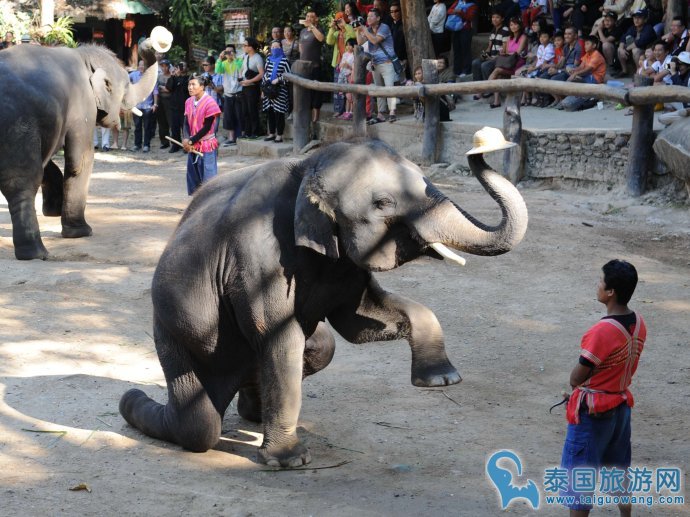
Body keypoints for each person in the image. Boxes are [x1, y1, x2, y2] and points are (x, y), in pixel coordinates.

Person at [559, 259, 646, 517]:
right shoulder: (639, 322)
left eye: (600, 281)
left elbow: (576, 377)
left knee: (580, 482)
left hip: (595, 414)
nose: (597, 285)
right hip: (620, 408)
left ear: (611, 292)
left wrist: (579, 389)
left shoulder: (602, 331)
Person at [356, 8, 399, 123]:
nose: (368, 18)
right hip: (375, 64)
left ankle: (392, 112)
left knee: (390, 89)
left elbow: (375, 40)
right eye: (367, 16)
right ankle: (381, 113)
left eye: (371, 16)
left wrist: (365, 30)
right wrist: (358, 30)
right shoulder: (368, 29)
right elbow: (360, 42)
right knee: (379, 90)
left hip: (387, 63)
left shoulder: (384, 27)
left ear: (378, 18)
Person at [182, 75, 221, 196]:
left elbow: (208, 127)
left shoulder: (210, 102)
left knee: (208, 178)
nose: (190, 87)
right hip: (192, 144)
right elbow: (186, 122)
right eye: (189, 84)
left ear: (202, 87)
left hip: (206, 145)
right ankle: (197, 205)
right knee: (194, 177)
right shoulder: (188, 101)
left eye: (193, 84)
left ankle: (211, 206)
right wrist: (185, 138)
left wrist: (191, 140)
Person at [487, 17, 528, 108]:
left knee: (497, 70)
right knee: (497, 73)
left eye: (515, 24)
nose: (513, 27)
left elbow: (517, 52)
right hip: (508, 62)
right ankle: (496, 101)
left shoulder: (523, 37)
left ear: (520, 26)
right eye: (511, 25)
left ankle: (485, 88)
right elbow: (506, 52)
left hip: (517, 63)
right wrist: (503, 52)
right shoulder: (509, 38)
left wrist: (507, 53)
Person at [299, 11, 325, 133]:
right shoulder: (303, 32)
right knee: (305, 94)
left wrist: (312, 26)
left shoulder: (318, 29)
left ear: (316, 19)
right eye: (307, 16)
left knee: (316, 93)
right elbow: (300, 47)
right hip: (303, 67)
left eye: (311, 17)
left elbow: (321, 38)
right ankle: (306, 120)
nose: (308, 18)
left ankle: (315, 120)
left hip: (315, 66)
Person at [472, 10, 510, 92]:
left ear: (502, 19)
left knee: (485, 65)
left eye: (497, 17)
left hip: (499, 58)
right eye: (493, 17)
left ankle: (489, 90)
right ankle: (478, 88)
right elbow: (489, 47)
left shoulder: (505, 30)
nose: (494, 19)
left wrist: (492, 59)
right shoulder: (493, 30)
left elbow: (504, 50)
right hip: (491, 56)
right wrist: (484, 54)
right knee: (475, 63)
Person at [327, 12, 356, 117]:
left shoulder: (349, 31)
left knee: (348, 87)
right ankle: (339, 109)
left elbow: (353, 36)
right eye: (337, 21)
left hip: (349, 64)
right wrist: (332, 28)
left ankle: (349, 110)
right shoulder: (336, 33)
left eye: (341, 20)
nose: (339, 23)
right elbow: (329, 41)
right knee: (338, 88)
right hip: (338, 63)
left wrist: (345, 24)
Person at [261, 40, 291, 143]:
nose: (274, 49)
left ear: (281, 48)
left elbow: (288, 76)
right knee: (270, 112)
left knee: (279, 113)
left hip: (279, 90)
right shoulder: (268, 59)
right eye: (272, 47)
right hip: (268, 89)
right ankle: (271, 133)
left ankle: (279, 135)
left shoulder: (285, 60)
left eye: (276, 47)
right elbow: (265, 73)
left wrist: (278, 79)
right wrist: (265, 86)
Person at [216, 45, 244, 146]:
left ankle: (241, 136)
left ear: (235, 52)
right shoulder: (223, 64)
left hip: (238, 93)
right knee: (228, 117)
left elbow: (241, 69)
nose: (229, 54)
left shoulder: (239, 61)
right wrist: (220, 58)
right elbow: (217, 71)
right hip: (228, 93)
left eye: (231, 52)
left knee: (240, 115)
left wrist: (235, 58)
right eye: (227, 52)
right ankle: (231, 138)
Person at [615, 9, 656, 77]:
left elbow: (640, 42)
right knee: (620, 49)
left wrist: (626, 49)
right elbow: (623, 38)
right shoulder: (633, 28)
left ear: (645, 19)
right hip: (636, 52)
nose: (636, 20)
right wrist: (621, 48)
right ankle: (624, 71)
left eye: (639, 18)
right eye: (635, 18)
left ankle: (639, 72)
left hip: (649, 53)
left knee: (635, 50)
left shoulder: (648, 28)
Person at [129, 60, 159, 152]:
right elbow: (124, 81)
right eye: (140, 65)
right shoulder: (133, 75)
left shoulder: (151, 77)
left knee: (147, 127)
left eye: (144, 65)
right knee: (137, 126)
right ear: (138, 66)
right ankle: (137, 144)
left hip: (148, 106)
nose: (142, 67)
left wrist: (155, 104)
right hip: (136, 105)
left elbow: (155, 91)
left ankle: (146, 145)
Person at [239, 37, 264, 140]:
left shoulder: (257, 57)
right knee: (245, 111)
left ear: (251, 47)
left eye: (245, 45)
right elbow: (242, 68)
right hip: (244, 87)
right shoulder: (246, 57)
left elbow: (262, 74)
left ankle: (255, 132)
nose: (243, 47)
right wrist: (241, 78)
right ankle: (247, 132)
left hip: (253, 88)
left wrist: (249, 81)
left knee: (252, 110)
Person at [658, 51, 690, 125]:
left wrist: (673, 73)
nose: (678, 67)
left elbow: (682, 90)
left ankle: (683, 120)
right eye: (677, 64)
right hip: (685, 104)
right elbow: (666, 66)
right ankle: (679, 115)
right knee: (665, 93)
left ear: (688, 66)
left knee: (662, 118)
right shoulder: (683, 73)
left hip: (687, 106)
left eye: (680, 64)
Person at [449, 0, 479, 77]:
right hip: (455, 29)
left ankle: (466, 70)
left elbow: (469, 17)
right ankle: (456, 71)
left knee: (465, 51)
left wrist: (460, 12)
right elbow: (448, 11)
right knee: (456, 51)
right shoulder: (457, 2)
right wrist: (456, 11)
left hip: (465, 30)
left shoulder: (472, 5)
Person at [166, 61, 190, 152]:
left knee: (185, 128)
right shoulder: (174, 78)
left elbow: (186, 89)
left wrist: (181, 77)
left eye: (183, 65)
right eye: (179, 66)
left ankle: (186, 145)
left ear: (187, 68)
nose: (181, 67)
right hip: (174, 106)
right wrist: (173, 76)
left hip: (185, 107)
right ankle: (175, 145)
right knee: (174, 127)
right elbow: (169, 87)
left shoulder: (189, 78)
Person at [336, 38, 356, 120]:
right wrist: (341, 65)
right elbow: (340, 64)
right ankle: (347, 111)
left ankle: (352, 111)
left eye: (350, 45)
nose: (348, 47)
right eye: (347, 45)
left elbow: (354, 68)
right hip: (343, 75)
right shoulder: (344, 54)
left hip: (350, 75)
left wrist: (349, 66)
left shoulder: (355, 55)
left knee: (351, 95)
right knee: (347, 95)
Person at [389, 2, 408, 79]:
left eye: (396, 11)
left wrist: (405, 58)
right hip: (393, 58)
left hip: (403, 58)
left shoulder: (405, 23)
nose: (394, 13)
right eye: (391, 12)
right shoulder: (391, 25)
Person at [157, 59, 172, 149]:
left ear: (169, 66)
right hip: (160, 100)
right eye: (162, 66)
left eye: (165, 66)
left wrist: (162, 87)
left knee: (171, 121)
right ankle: (164, 142)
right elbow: (156, 88)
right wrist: (165, 88)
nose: (164, 68)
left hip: (170, 100)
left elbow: (170, 89)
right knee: (162, 122)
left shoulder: (172, 76)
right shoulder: (159, 77)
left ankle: (174, 141)